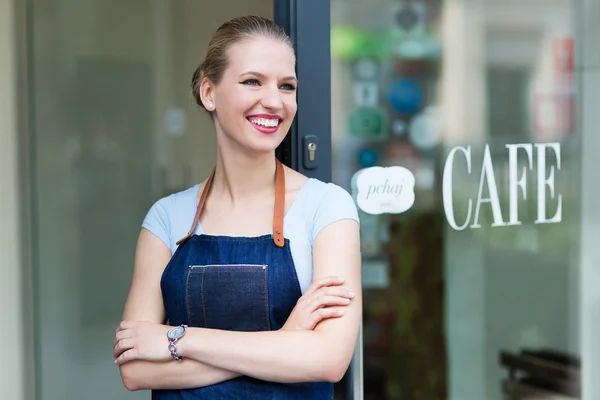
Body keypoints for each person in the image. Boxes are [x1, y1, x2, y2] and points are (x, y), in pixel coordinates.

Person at [112, 15, 361, 399]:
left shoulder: (326, 208)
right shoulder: (167, 218)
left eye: (287, 86)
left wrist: (178, 339)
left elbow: (328, 359)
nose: (274, 101)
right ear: (209, 92)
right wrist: (285, 343)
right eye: (252, 82)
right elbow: (136, 368)